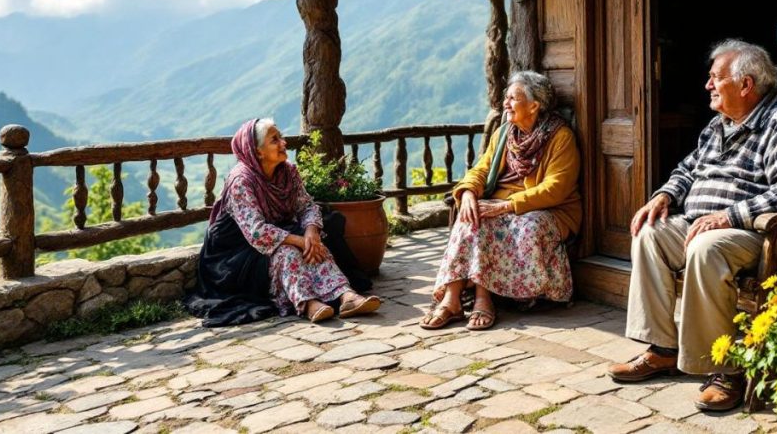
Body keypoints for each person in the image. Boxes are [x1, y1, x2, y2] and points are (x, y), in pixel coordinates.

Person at [607, 39, 777, 412]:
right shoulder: (720, 124)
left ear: (745, 85)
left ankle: (725, 369)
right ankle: (663, 348)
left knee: (706, 246)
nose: (707, 85)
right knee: (649, 232)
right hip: (715, 226)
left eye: (715, 77)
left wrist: (730, 216)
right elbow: (688, 169)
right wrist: (663, 195)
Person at [420, 71, 582, 331]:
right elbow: (481, 169)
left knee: (522, 225)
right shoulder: (505, 133)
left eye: (512, 98)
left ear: (534, 105)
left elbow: (556, 188)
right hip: (501, 205)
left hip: (550, 209)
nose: (505, 103)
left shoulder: (560, 137)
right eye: (506, 97)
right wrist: (469, 193)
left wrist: (506, 205)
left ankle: (485, 298)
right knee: (471, 218)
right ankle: (452, 300)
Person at [186, 118, 380, 326]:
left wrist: (311, 232)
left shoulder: (287, 171)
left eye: (281, 137)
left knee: (316, 246)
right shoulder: (241, 181)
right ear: (257, 151)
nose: (283, 143)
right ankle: (307, 303)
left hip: (275, 235)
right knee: (288, 252)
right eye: (274, 140)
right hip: (235, 252)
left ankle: (346, 296)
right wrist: (299, 240)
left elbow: (306, 206)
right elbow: (257, 233)